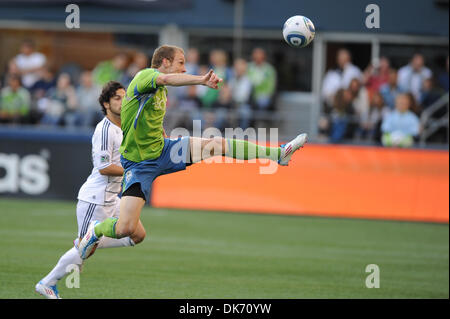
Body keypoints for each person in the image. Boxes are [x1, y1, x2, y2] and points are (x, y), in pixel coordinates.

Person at [77, 45, 307, 260]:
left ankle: (278, 154)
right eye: (180, 62)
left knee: (217, 144)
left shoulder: (161, 91)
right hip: (138, 165)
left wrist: (165, 138)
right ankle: (95, 232)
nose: (184, 68)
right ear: (164, 62)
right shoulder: (145, 76)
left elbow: (151, 120)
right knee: (126, 228)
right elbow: (167, 78)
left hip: (163, 150)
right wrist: (201, 80)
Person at [35, 81, 145, 299]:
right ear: (106, 104)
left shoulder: (124, 126)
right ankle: (47, 283)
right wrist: (133, 169)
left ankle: (90, 239)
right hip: (95, 199)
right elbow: (104, 167)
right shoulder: (104, 130)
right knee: (84, 250)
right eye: (117, 98)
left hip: (113, 197)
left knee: (137, 234)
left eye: (125, 97)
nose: (123, 102)